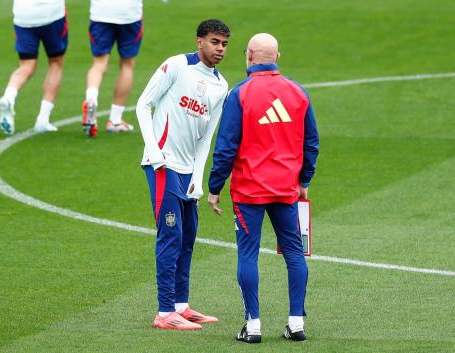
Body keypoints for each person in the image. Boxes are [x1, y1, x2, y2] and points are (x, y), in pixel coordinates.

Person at [207, 33, 320, 343]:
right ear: (277, 58)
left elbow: (226, 147)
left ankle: (253, 324)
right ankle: (296, 323)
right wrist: (304, 181)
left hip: (249, 192)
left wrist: (215, 186)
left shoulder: (240, 94)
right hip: (286, 190)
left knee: (248, 254)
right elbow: (312, 143)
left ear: (249, 56)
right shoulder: (298, 93)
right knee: (295, 254)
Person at [136, 19, 230, 330]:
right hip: (163, 165)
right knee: (171, 235)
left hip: (187, 171)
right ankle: (164, 313)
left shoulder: (221, 86)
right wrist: (155, 152)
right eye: (215, 42)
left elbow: (207, 138)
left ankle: (180, 305)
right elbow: (143, 105)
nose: (220, 49)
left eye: (224, 44)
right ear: (199, 40)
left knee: (188, 237)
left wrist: (197, 176)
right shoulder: (176, 65)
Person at [0, 0, 67, 135]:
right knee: (56, 63)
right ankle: (43, 119)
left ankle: (9, 97)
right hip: (51, 14)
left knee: (26, 64)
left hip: (23, 15)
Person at [81, 0, 143, 137]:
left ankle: (91, 98)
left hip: (100, 13)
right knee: (127, 65)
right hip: (129, 14)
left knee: (99, 64)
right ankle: (115, 120)